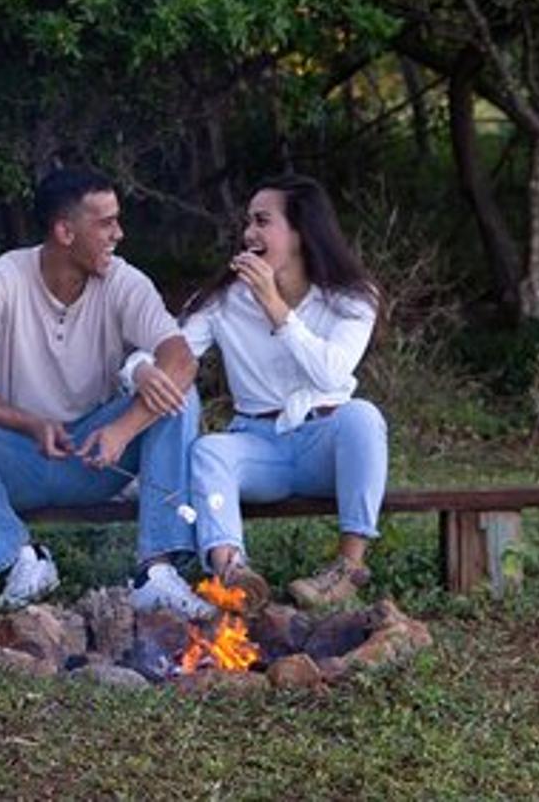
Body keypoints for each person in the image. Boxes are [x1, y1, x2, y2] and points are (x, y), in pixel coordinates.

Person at [0, 168, 213, 614]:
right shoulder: (2, 279)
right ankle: (23, 559)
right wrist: (28, 423)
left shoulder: (124, 281)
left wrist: (123, 430)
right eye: (106, 223)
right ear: (65, 232)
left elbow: (181, 359)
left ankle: (156, 571)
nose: (119, 234)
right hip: (17, 455)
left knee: (179, 397)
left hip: (94, 456)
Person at [164, 174, 387, 612]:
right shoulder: (225, 300)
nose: (249, 233)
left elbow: (332, 372)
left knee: (363, 417)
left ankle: (347, 568)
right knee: (209, 450)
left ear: (301, 232)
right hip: (258, 444)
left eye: (262, 221)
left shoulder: (353, 298)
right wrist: (138, 371)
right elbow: (171, 351)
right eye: (248, 222)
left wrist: (275, 306)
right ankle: (232, 573)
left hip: (324, 443)